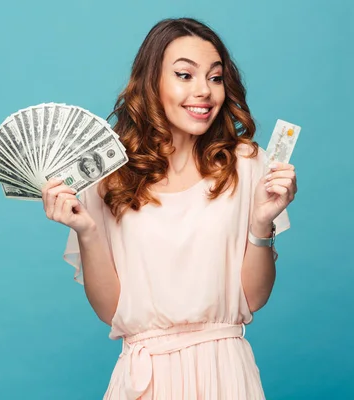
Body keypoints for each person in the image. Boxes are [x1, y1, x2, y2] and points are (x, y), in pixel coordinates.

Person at [41, 17, 298, 400]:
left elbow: (254, 298)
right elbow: (112, 310)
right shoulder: (110, 175)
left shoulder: (247, 164)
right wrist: (88, 232)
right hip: (144, 377)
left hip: (224, 374)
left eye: (215, 78)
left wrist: (261, 223)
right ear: (152, 83)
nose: (204, 92)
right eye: (185, 75)